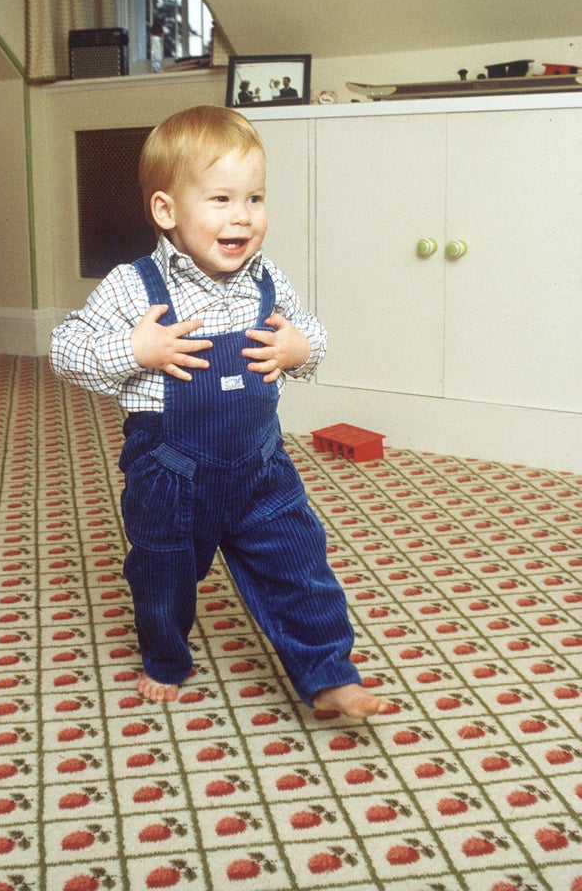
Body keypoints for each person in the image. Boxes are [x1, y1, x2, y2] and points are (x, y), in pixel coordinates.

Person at [50, 105, 393, 720]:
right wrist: (136, 348)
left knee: (300, 565)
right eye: (221, 199)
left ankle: (328, 674)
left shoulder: (269, 282)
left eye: (255, 198)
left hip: (262, 466)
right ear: (166, 211)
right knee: (164, 575)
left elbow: (309, 329)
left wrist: (300, 347)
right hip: (169, 473)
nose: (242, 216)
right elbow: (65, 350)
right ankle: (164, 656)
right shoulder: (134, 288)